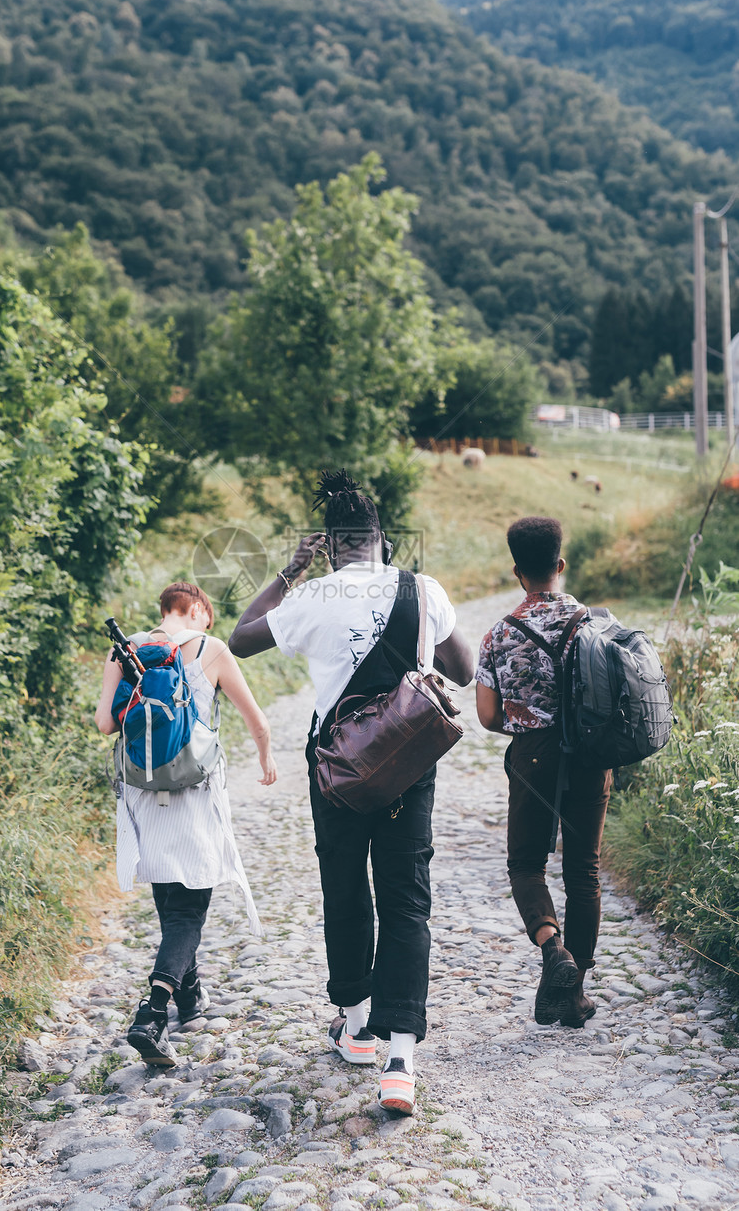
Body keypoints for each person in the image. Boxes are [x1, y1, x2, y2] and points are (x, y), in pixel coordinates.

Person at [229, 470, 473, 1115]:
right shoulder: (423, 589)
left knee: (345, 885)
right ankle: (400, 1061)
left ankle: (356, 1025)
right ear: (383, 540)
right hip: (409, 763)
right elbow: (465, 670)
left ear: (331, 545)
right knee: (406, 898)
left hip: (336, 767)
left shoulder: (311, 594)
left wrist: (289, 570)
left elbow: (240, 639)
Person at [95, 581, 277, 1065]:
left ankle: (190, 996)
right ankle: (153, 1014)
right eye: (207, 616)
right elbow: (256, 720)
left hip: (141, 790)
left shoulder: (126, 648)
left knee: (170, 901)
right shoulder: (210, 648)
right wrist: (265, 758)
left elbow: (103, 724)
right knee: (189, 912)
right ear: (196, 609)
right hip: (195, 791)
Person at [475, 516, 611, 1028]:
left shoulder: (498, 635)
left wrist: (527, 718)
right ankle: (574, 993)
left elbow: (488, 717)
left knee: (527, 865)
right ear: (560, 564)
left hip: (533, 755)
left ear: (517, 571)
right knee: (584, 872)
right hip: (591, 755)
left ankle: (554, 950)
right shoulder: (597, 624)